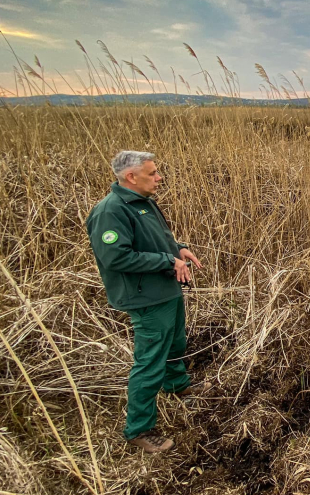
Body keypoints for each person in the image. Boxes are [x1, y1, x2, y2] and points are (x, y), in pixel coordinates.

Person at [86, 151, 211, 453]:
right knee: (150, 361)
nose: (159, 178)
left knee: (174, 343)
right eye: (153, 173)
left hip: (166, 288)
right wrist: (166, 260)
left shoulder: (143, 203)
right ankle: (139, 428)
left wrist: (178, 250)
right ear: (131, 177)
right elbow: (116, 256)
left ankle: (177, 384)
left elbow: (156, 240)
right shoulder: (110, 211)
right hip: (145, 296)